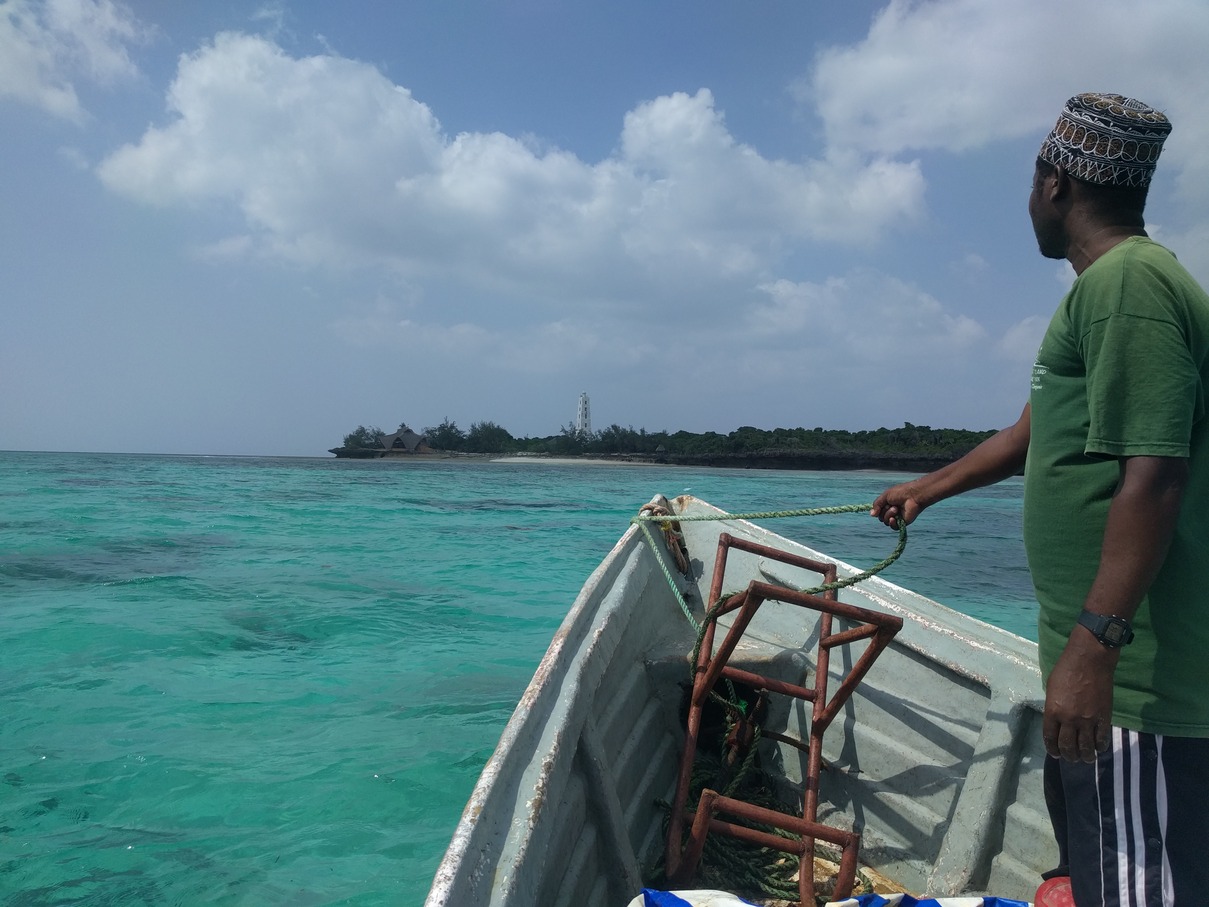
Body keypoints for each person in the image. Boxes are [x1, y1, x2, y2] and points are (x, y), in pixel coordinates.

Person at [870, 93, 1209, 907]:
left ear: (1052, 183)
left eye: (1031, 184)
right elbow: (1034, 431)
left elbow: (1154, 474)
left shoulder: (1126, 287)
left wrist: (1094, 649)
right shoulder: (1103, 289)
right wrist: (928, 487)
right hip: (1109, 671)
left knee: (1135, 887)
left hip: (1134, 686)